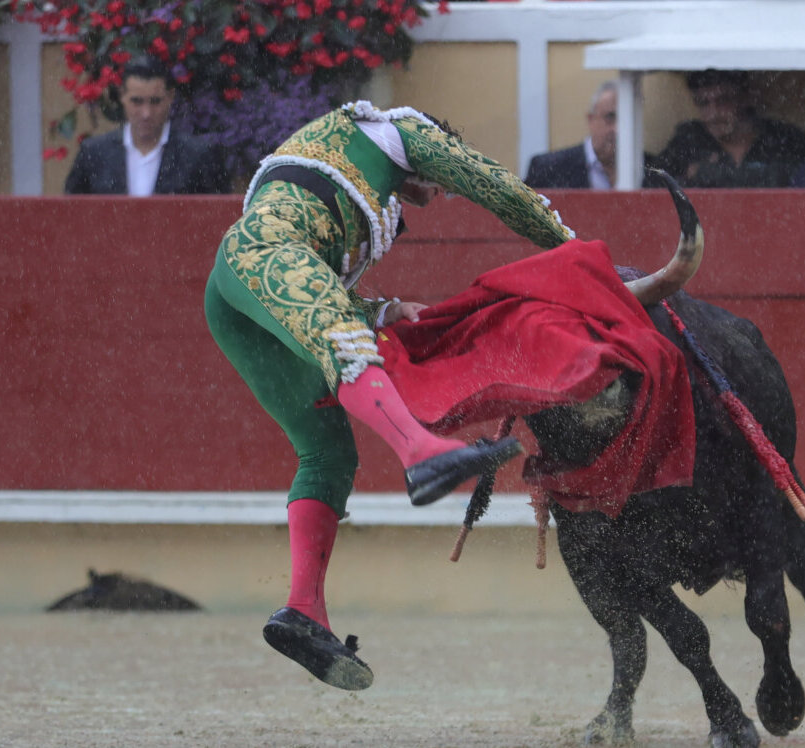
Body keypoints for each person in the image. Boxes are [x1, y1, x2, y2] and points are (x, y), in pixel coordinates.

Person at [203, 101, 576, 691]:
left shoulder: (358, 186)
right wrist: (573, 249)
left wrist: (383, 309)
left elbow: (317, 287)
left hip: (237, 297)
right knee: (345, 342)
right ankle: (422, 454)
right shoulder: (401, 134)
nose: (441, 193)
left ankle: (304, 612)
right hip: (264, 252)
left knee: (328, 456)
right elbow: (500, 190)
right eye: (438, 181)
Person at [64, 56, 230, 195]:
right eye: (137, 101)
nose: (146, 113)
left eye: (155, 101)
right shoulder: (94, 154)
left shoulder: (199, 156)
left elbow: (218, 217)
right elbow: (71, 215)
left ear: (170, 97)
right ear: (122, 95)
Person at [657, 70, 805, 188]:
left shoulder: (783, 138)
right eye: (703, 103)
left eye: (723, 100)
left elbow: (797, 181)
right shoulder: (690, 139)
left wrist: (704, 173)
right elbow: (653, 183)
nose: (713, 114)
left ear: (745, 98)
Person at [524, 80, 662, 189]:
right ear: (591, 120)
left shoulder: (655, 170)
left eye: (627, 119)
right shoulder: (549, 169)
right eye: (610, 117)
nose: (618, 129)